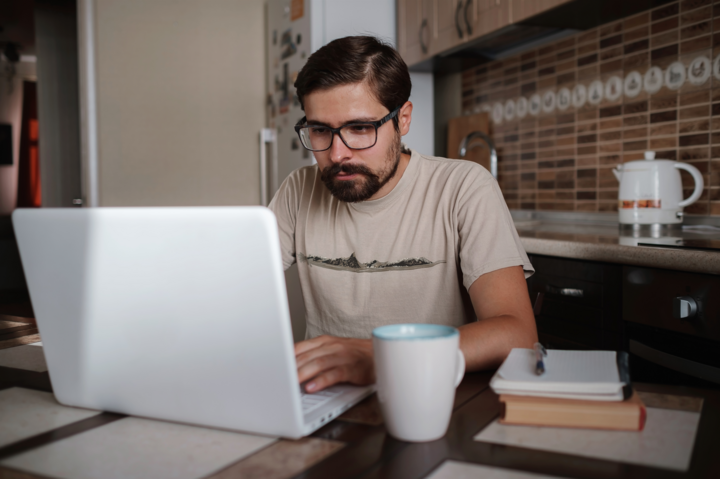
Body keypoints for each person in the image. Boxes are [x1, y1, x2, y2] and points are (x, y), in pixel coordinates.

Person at [269, 36, 537, 394]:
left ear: (403, 119)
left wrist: (383, 357)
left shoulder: (463, 187)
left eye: (360, 128)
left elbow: (516, 332)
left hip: (432, 398)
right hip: (323, 400)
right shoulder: (298, 190)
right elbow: (230, 290)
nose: (337, 154)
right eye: (320, 130)